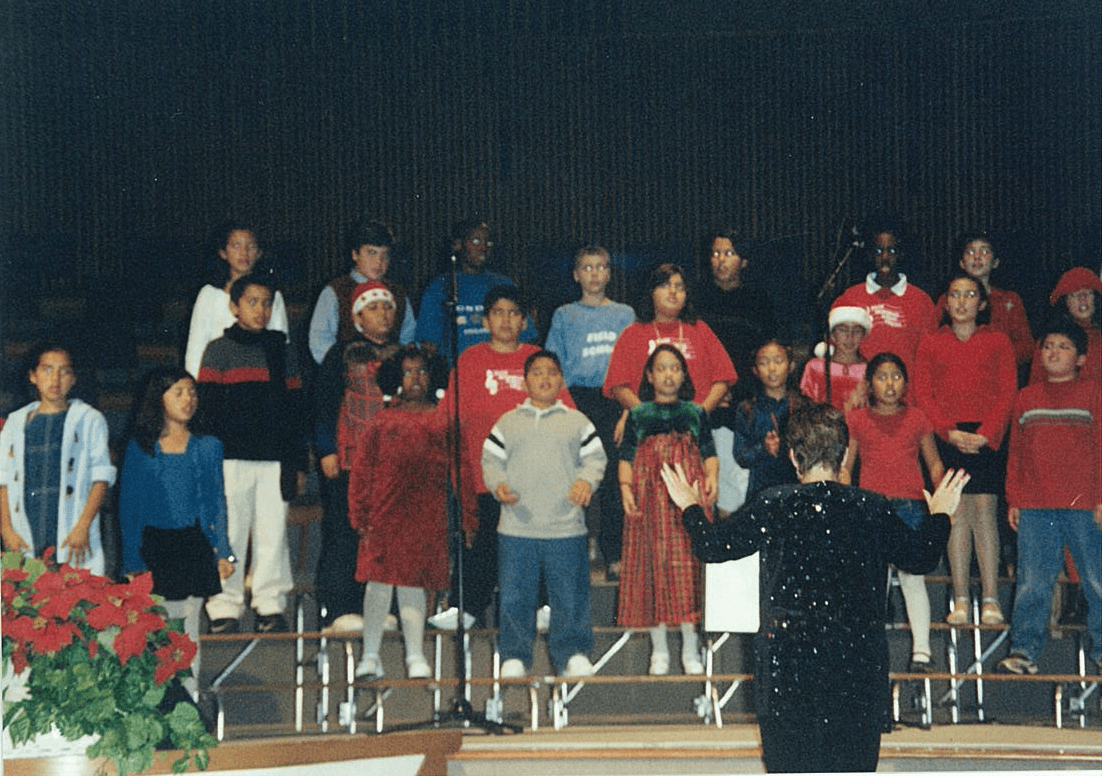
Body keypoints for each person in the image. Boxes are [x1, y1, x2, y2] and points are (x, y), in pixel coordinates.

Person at [670, 403, 967, 773]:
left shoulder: (774, 503)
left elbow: (712, 546)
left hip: (787, 664)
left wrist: (689, 506)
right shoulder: (870, 506)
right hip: (856, 664)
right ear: (844, 455)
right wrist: (939, 515)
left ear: (794, 457)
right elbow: (921, 557)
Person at [440, 285, 574, 628]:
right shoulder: (469, 360)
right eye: (498, 312)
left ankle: (543, 606)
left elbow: (567, 413)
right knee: (482, 542)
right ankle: (467, 608)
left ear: (524, 320)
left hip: (535, 473)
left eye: (514, 313)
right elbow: (447, 417)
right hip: (486, 471)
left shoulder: (539, 358)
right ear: (485, 320)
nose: (506, 320)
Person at [482, 350, 607, 678]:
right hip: (516, 526)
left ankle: (573, 654)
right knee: (514, 595)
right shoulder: (508, 422)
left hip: (565, 527)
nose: (545, 378)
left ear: (562, 381)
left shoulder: (577, 421)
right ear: (524, 382)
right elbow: (491, 461)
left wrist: (586, 480)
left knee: (570, 595)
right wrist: (498, 485)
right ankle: (514, 656)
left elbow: (596, 459)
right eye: (537, 373)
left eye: (552, 372)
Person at [197, 273, 307, 633]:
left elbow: (294, 409)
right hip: (229, 458)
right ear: (234, 306)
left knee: (272, 534)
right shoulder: (218, 350)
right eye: (252, 302)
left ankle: (269, 604)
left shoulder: (282, 350)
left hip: (274, 458)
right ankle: (224, 605)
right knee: (229, 529)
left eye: (267, 303)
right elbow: (207, 413)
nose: (260, 310)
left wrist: (297, 461)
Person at [118, 368, 235, 699]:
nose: (189, 399)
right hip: (156, 546)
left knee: (190, 627)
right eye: (179, 392)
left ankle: (189, 696)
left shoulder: (208, 446)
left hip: (193, 544)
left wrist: (223, 550)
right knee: (161, 626)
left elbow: (216, 502)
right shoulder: (141, 448)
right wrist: (132, 560)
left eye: (192, 392)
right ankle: (163, 698)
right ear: (160, 399)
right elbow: (130, 509)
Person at [913, 272, 1017, 626]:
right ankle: (959, 598)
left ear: (982, 302)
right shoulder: (930, 342)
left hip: (986, 437)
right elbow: (923, 394)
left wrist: (987, 434)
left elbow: (1007, 391)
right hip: (948, 437)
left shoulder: (999, 341)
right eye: (954, 294)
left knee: (984, 513)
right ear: (945, 302)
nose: (960, 302)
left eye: (969, 295)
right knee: (955, 516)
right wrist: (948, 432)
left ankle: (990, 598)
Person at [999, 319, 1101, 676]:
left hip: (1084, 504)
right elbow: (1016, 454)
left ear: (1081, 359)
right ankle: (1024, 650)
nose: (1053, 352)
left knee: (1097, 579)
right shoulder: (1026, 398)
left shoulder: (1093, 394)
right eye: (1048, 346)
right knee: (1032, 581)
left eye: (1063, 347)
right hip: (1036, 506)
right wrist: (1015, 499)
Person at [348, 345, 450, 680]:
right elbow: (362, 471)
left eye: (421, 371)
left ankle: (415, 654)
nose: (415, 379)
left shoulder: (442, 419)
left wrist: (465, 515)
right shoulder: (382, 421)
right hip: (385, 513)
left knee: (413, 584)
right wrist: (360, 514)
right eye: (407, 372)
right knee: (378, 584)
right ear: (395, 378)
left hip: (425, 514)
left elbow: (459, 468)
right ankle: (371, 654)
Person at [618, 344, 717, 676]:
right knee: (653, 570)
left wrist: (712, 477)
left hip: (687, 498)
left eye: (675, 367)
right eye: (660, 368)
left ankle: (691, 648)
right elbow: (626, 458)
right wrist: (626, 490)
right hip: (649, 499)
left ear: (684, 374)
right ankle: (658, 649)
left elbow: (709, 451)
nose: (668, 374)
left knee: (688, 570)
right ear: (649, 375)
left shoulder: (695, 413)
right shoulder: (638, 415)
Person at [844, 352, 945, 671]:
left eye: (896, 376)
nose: (889, 383)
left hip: (911, 507)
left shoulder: (917, 418)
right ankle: (872, 655)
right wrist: (847, 497)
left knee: (913, 579)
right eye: (882, 376)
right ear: (869, 384)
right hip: (872, 507)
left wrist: (942, 495)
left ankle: (922, 653)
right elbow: (846, 464)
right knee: (875, 581)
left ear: (906, 383)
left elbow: (934, 463)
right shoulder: (857, 419)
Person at [544, 244, 635, 580]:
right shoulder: (564, 315)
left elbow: (634, 366)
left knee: (613, 478)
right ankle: (573, 553)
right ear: (576, 274)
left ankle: (614, 554)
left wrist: (628, 411)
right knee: (575, 477)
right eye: (587, 267)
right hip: (577, 400)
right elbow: (553, 366)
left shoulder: (624, 314)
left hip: (615, 399)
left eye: (601, 267)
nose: (595, 273)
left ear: (609, 273)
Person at [313, 281, 399, 633]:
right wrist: (326, 450)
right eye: (374, 307)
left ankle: (382, 607)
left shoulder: (403, 354)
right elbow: (323, 404)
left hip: (393, 463)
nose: (382, 313)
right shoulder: (342, 354)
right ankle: (339, 608)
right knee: (346, 534)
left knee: (387, 536)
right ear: (358, 317)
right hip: (351, 459)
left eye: (388, 306)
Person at [0, 343, 116, 575]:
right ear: (33, 376)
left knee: (77, 600)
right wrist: (7, 530)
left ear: (73, 378)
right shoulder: (15, 422)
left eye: (64, 371)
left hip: (72, 530)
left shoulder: (89, 419)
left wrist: (83, 526)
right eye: (47, 370)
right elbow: (3, 479)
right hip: (27, 527)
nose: (56, 378)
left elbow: (101, 477)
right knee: (29, 598)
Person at [694, 227, 777, 518]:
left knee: (737, 487)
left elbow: (767, 355)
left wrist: (736, 388)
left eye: (729, 253)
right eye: (715, 253)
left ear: (743, 260)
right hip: (705, 398)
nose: (720, 260)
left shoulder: (760, 301)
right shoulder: (696, 299)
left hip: (746, 401)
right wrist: (714, 389)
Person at [603, 263, 736, 441]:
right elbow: (619, 386)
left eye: (679, 287)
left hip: (695, 431)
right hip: (647, 431)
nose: (673, 291)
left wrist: (698, 415)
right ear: (652, 292)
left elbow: (724, 377)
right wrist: (648, 417)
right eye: (665, 285)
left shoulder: (700, 329)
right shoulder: (632, 334)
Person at [415, 218, 537, 362]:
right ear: (458, 245)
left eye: (488, 242)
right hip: (458, 375)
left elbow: (527, 338)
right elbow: (429, 345)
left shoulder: (506, 285)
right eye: (476, 241)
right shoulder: (441, 286)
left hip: (502, 369)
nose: (483, 247)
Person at [832, 216, 937, 372]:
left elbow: (929, 359)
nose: (885, 257)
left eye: (892, 251)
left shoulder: (921, 301)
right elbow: (836, 353)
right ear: (869, 255)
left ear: (901, 254)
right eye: (879, 251)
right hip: (861, 391)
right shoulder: (849, 298)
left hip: (906, 393)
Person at [184, 222, 289, 378]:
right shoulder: (210, 294)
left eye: (251, 246)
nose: (244, 252)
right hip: (218, 373)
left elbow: (281, 344)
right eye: (236, 246)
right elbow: (196, 347)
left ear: (259, 253)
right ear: (223, 253)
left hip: (259, 375)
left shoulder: (273, 295)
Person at [307, 219, 416, 365]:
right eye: (371, 253)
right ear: (355, 255)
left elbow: (408, 340)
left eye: (385, 255)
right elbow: (320, 342)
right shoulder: (335, 291)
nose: (379, 261)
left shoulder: (399, 294)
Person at [936, 231, 1034, 368]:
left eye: (984, 251)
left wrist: (995, 358)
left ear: (995, 262)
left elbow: (1026, 346)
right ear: (961, 263)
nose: (977, 257)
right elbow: (937, 340)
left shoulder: (1009, 299)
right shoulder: (946, 299)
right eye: (970, 252)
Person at [733, 339, 806, 501]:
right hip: (760, 493)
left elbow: (813, 451)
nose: (772, 369)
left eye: (779, 361)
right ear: (755, 370)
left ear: (791, 366)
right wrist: (763, 449)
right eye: (764, 363)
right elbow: (740, 455)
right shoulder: (747, 409)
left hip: (796, 491)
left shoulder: (803, 405)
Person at [1028, 267, 1102, 385]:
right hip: (1061, 403)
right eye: (1075, 294)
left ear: (1096, 298)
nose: (1082, 299)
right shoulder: (1050, 342)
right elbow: (1036, 387)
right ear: (1065, 302)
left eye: (1088, 292)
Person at [799, 305, 873, 412]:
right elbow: (805, 408)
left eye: (856, 331)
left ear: (863, 335)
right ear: (832, 335)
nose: (849, 336)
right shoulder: (815, 368)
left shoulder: (870, 370)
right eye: (843, 330)